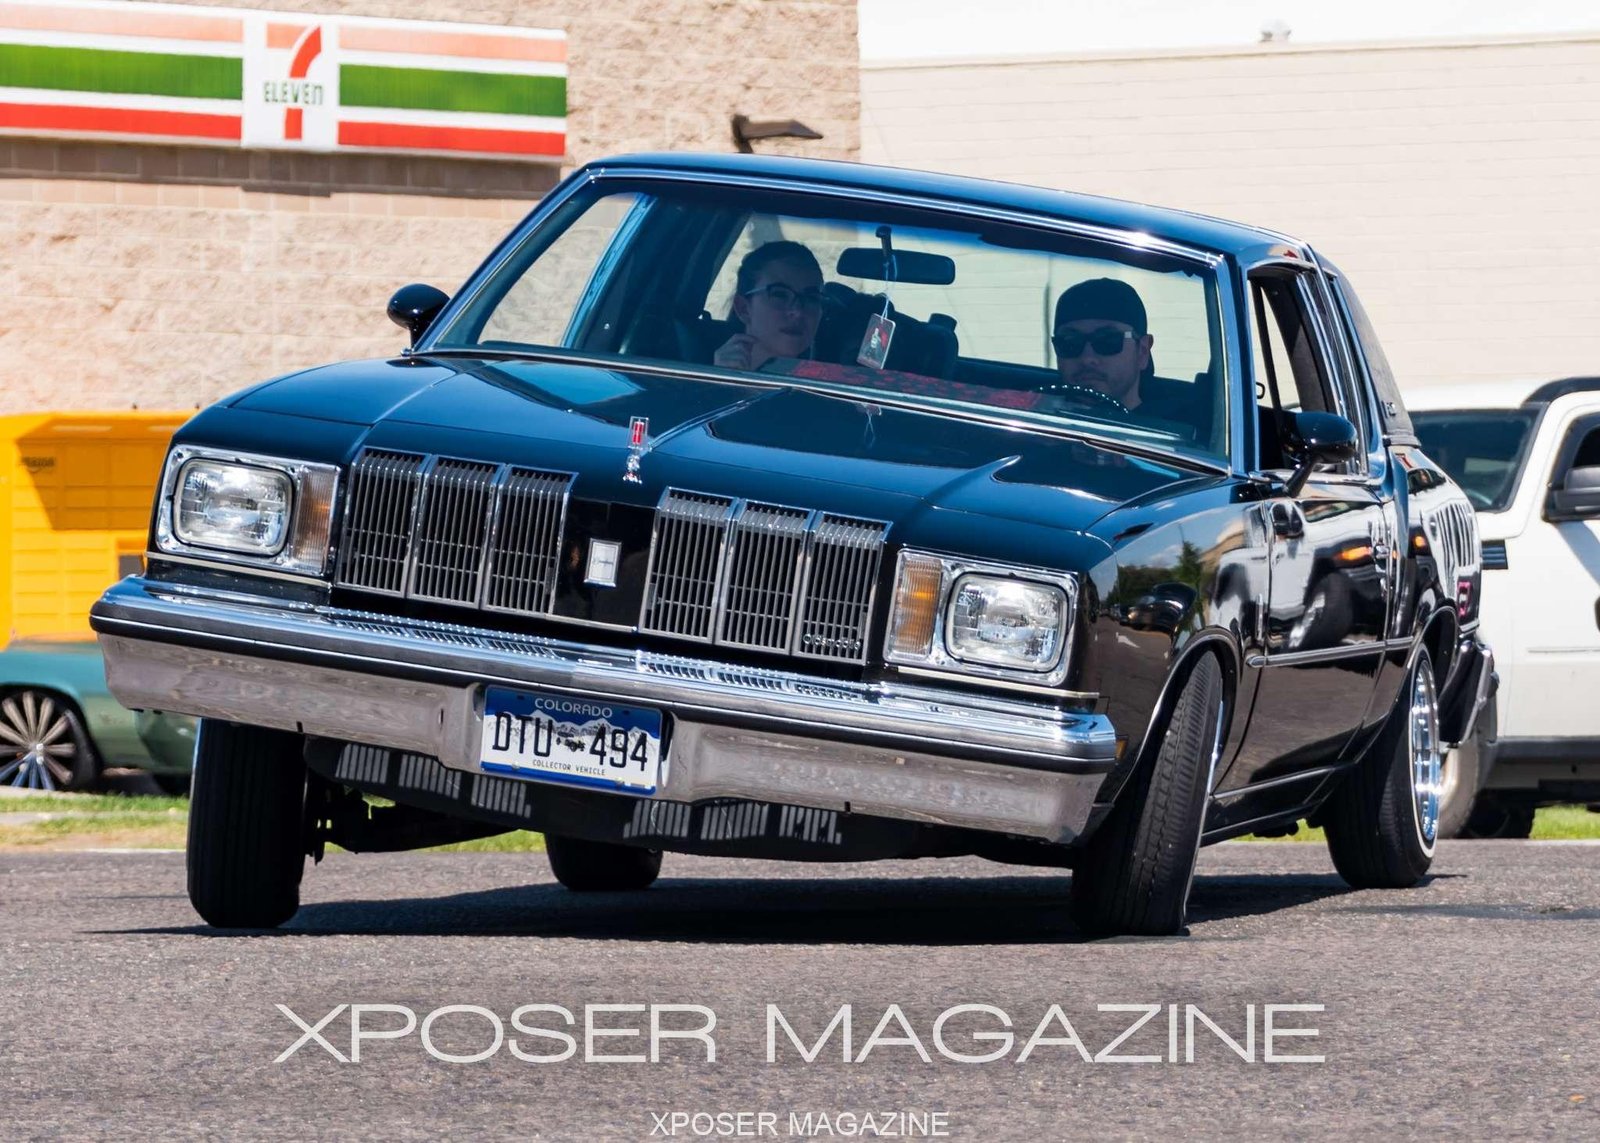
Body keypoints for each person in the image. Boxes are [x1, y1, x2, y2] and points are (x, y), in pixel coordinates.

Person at [713, 240, 827, 370]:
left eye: (811, 298)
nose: (798, 311)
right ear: (743, 308)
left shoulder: (833, 379)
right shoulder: (703, 376)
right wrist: (722, 377)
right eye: (779, 295)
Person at [1049, 277, 1155, 412]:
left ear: (1142, 351)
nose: (1087, 359)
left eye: (1107, 341)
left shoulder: (1170, 424)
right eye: (1069, 343)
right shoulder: (1033, 415)